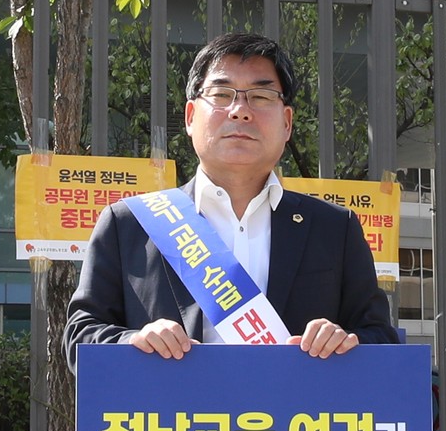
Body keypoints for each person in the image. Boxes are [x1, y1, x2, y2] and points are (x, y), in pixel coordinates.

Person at [62, 30, 399, 364]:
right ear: (191, 117)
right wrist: (133, 341)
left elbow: (380, 339)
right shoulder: (129, 224)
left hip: (294, 419)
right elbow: (80, 336)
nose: (240, 111)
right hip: (175, 417)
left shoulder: (334, 228)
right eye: (222, 95)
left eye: (261, 96)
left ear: (287, 123)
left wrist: (342, 342)